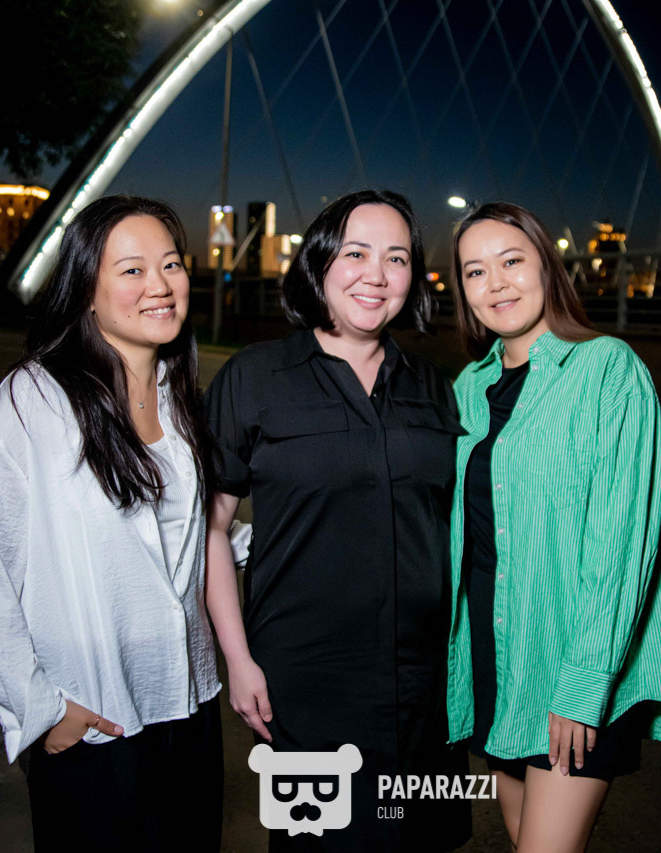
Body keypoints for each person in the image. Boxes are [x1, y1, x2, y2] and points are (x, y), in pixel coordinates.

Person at [0, 195, 224, 851]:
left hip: (190, 705)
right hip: (97, 720)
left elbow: (186, 533)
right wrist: (39, 706)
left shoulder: (181, 397)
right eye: (132, 270)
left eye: (171, 264)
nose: (160, 285)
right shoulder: (34, 400)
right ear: (86, 292)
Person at [205, 189, 472, 851]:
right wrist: (238, 659)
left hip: (423, 687)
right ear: (320, 262)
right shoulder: (253, 377)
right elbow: (209, 528)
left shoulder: (434, 386)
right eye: (356, 253)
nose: (376, 274)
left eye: (397, 258)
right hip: (306, 686)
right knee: (318, 843)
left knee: (421, 844)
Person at [446, 202, 661, 851]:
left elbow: (623, 545)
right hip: (501, 660)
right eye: (475, 271)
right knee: (526, 835)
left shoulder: (608, 369)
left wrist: (584, 685)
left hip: (574, 666)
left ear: (547, 267)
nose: (496, 283)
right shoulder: (468, 386)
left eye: (511, 261)